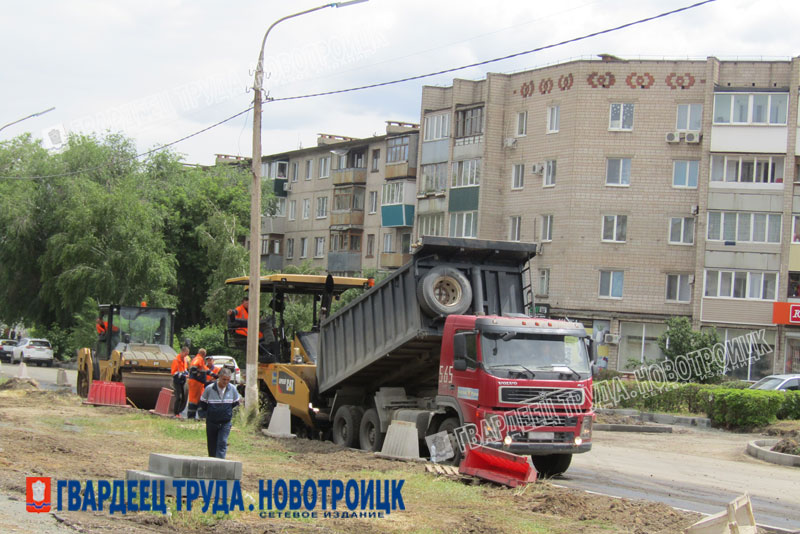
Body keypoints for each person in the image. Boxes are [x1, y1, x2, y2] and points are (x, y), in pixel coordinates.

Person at [198, 367, 241, 459]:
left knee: (222, 442)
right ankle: (212, 463)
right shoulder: (209, 389)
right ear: (219, 377)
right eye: (224, 379)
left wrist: (225, 412)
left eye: (228, 380)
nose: (225, 382)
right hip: (212, 422)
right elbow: (203, 404)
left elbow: (235, 403)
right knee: (212, 445)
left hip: (225, 422)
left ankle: (221, 463)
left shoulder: (232, 389)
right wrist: (211, 413)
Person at [187, 348, 212, 419]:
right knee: (194, 400)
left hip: (199, 383)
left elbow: (205, 370)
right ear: (203, 354)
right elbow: (194, 367)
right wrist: (196, 374)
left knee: (200, 399)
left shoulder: (200, 360)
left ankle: (202, 416)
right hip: (195, 383)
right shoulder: (198, 359)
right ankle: (191, 417)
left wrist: (213, 374)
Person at [171, 346, 190, 416]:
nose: (186, 356)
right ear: (182, 352)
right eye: (185, 354)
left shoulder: (184, 360)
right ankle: (176, 413)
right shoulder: (176, 360)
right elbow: (174, 373)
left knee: (183, 398)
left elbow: (184, 369)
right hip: (177, 380)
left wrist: (187, 373)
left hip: (183, 380)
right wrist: (183, 375)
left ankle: (180, 412)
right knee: (179, 397)